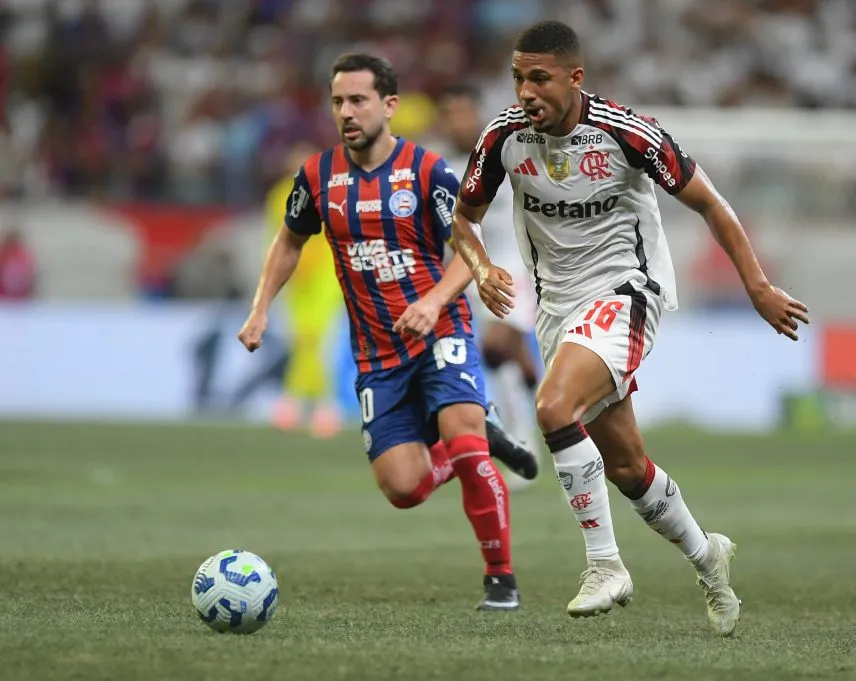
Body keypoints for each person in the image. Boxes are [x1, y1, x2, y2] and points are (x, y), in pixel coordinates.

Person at [449, 21, 810, 633]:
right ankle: (708, 557)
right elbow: (464, 218)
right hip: (556, 309)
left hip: (627, 291)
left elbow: (709, 202)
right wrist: (480, 269)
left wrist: (756, 285)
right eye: (517, 78)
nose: (526, 91)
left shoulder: (627, 133)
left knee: (553, 406)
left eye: (539, 78)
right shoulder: (502, 137)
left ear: (574, 77)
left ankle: (605, 565)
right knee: (626, 468)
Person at [239, 53, 540, 611]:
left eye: (358, 100)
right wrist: (260, 310)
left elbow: (469, 249)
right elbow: (288, 241)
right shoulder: (318, 177)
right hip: (378, 354)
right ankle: (483, 437)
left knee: (467, 446)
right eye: (338, 102)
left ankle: (501, 579)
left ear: (389, 105)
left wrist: (433, 301)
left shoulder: (427, 172)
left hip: (442, 330)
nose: (347, 112)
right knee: (404, 488)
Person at [434, 84, 541, 491]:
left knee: (496, 348)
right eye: (451, 115)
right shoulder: (440, 167)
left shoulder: (504, 151)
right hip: (468, 270)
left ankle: (522, 443)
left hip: (515, 265)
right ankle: (540, 413)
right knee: (506, 361)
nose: (458, 122)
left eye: (464, 113)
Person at [263, 142, 347, 438]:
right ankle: (306, 402)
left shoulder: (332, 192)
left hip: (326, 274)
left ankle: (316, 404)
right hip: (296, 275)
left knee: (321, 337)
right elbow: (277, 235)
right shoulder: (278, 196)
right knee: (300, 338)